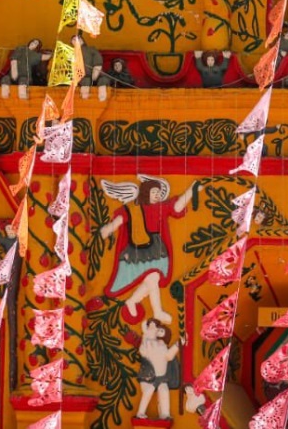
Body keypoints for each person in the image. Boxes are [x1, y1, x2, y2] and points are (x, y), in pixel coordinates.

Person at [98, 175, 196, 323]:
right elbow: (121, 218)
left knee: (153, 278)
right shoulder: (134, 208)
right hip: (138, 250)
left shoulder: (160, 208)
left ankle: (134, 302)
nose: (157, 195)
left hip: (156, 248)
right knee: (153, 278)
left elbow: (176, 207)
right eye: (154, 192)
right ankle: (153, 310)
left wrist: (192, 190)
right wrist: (109, 228)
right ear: (146, 193)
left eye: (159, 192)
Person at [135, 318, 183, 419]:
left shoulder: (163, 346)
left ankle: (165, 414)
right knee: (148, 391)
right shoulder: (148, 342)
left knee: (164, 391)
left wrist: (177, 345)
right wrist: (146, 336)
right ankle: (140, 412)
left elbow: (169, 356)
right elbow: (143, 350)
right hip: (149, 376)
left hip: (161, 377)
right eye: (157, 329)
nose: (157, 331)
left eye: (161, 330)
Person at [71, 31, 110, 100]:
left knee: (103, 79)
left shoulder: (90, 49)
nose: (75, 41)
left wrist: (96, 69)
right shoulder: (72, 53)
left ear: (81, 40)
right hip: (83, 76)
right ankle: (85, 95)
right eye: (73, 40)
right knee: (86, 81)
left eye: (76, 39)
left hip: (96, 73)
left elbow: (98, 59)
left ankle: (102, 95)